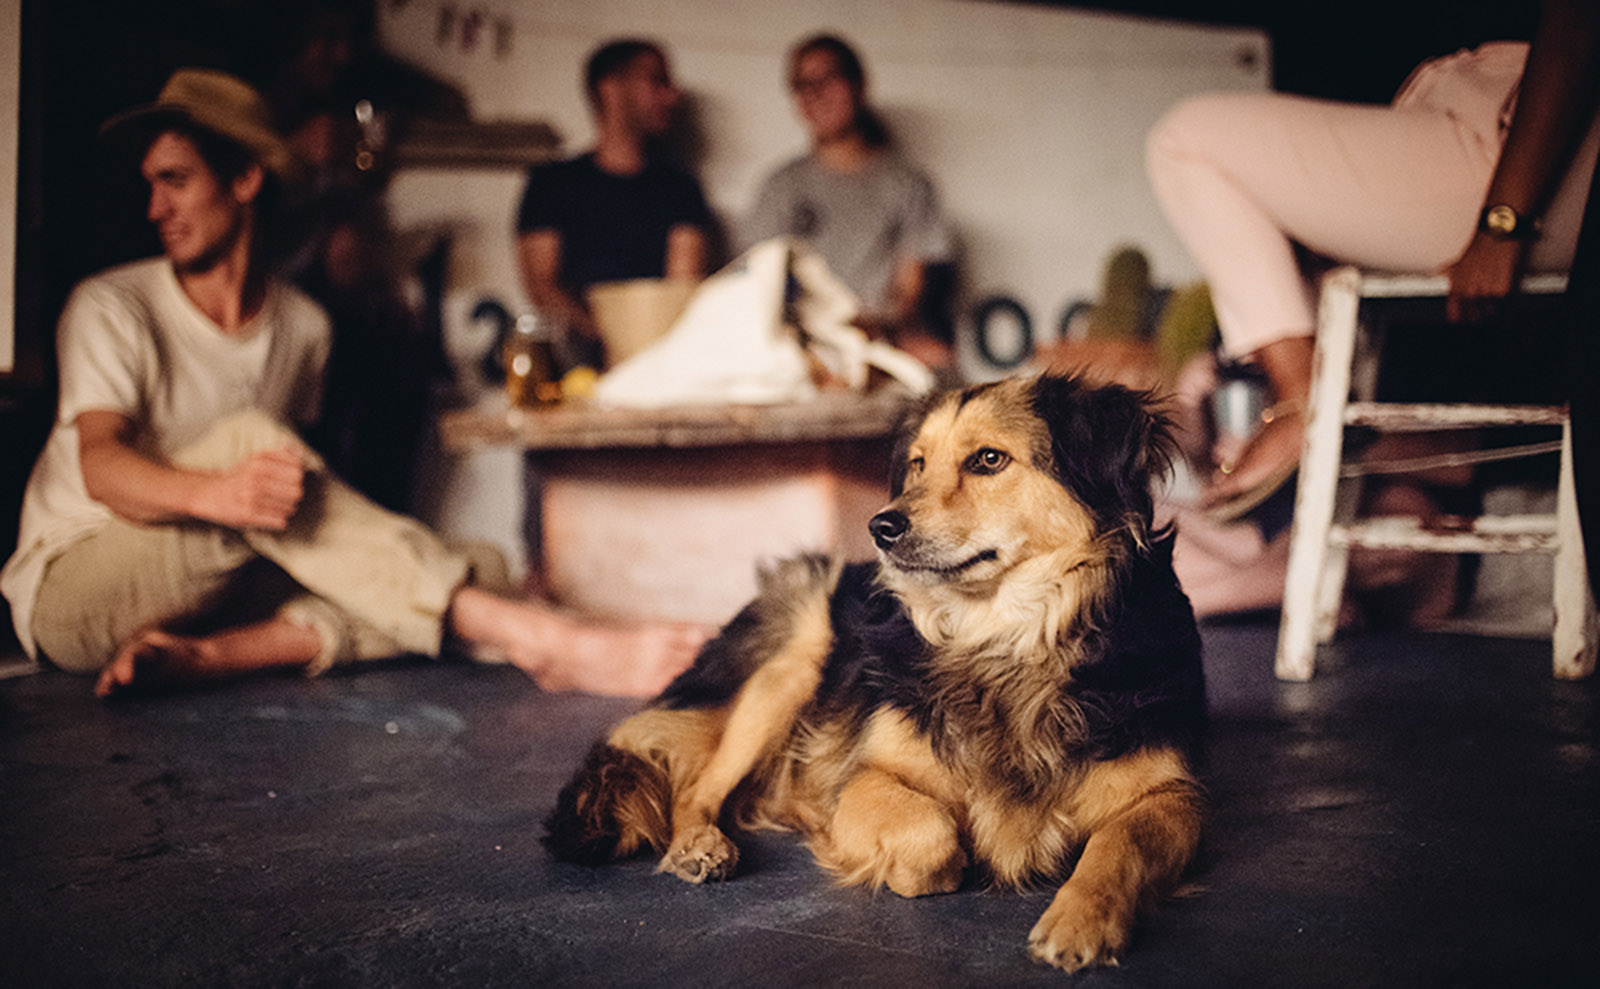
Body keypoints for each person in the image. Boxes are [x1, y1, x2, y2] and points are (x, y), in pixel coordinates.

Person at [0, 68, 704, 699]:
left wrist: (245, 501)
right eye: (150, 184)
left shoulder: (304, 326)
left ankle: (212, 656)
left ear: (245, 180)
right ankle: (550, 641)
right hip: (81, 579)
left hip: (207, 583)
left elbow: (301, 512)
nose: (155, 208)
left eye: (175, 180)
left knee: (480, 563)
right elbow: (101, 469)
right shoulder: (111, 305)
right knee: (262, 451)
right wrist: (219, 493)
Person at [1146, 0, 1600, 521]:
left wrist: (1505, 221)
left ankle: (1300, 401)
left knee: (1185, 141)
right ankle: (1308, 409)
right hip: (1479, 119)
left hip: (1537, 148)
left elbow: (1578, 17)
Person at [741, 33, 957, 370]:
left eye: (829, 78)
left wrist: (867, 330)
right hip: (802, 344)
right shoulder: (779, 188)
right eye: (803, 84)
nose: (816, 93)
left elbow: (908, 294)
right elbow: (759, 288)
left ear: (859, 85)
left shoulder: (908, 185)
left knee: (937, 360)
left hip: (882, 338)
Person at [514, 38, 715, 369]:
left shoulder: (682, 190)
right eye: (657, 80)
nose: (671, 95)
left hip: (662, 368)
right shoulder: (550, 185)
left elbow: (681, 290)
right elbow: (542, 287)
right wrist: (609, 339)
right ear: (611, 88)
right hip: (574, 374)